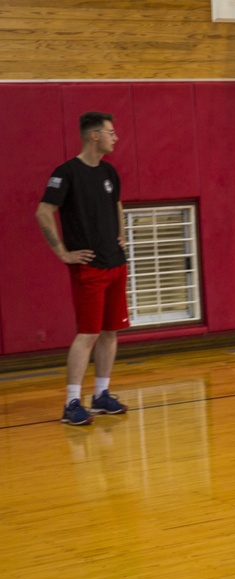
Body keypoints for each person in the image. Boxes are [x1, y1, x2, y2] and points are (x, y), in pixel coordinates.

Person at [36, 111, 130, 426]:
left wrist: (121, 234)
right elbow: (44, 211)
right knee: (87, 334)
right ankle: (71, 402)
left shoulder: (109, 172)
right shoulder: (66, 173)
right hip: (89, 269)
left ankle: (101, 395)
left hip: (115, 264)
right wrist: (62, 252)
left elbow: (117, 203)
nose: (115, 137)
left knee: (110, 332)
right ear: (94, 136)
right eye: (110, 132)